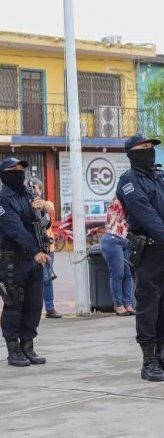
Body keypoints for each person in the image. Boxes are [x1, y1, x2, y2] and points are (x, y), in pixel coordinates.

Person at [116, 134, 164, 381]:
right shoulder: (129, 181)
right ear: (132, 152)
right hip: (149, 250)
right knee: (149, 304)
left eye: (151, 147)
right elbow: (146, 214)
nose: (150, 150)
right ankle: (148, 360)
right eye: (144, 147)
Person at [0, 157, 52, 367]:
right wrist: (34, 252)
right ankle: (13, 349)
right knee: (14, 305)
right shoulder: (3, 199)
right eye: (13, 169)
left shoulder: (29, 194)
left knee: (34, 305)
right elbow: (14, 229)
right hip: (11, 260)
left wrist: (43, 209)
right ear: (4, 174)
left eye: (21, 168)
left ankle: (27, 346)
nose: (19, 172)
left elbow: (41, 225)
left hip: (34, 261)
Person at [30, 180, 61, 319]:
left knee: (47, 278)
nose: (34, 193)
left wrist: (42, 203)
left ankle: (50, 308)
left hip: (47, 247)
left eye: (36, 190)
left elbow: (51, 209)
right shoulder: (25, 204)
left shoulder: (46, 203)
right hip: (31, 248)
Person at [102, 197, 135, 316]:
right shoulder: (119, 200)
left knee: (127, 274)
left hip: (125, 240)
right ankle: (118, 305)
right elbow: (130, 213)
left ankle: (128, 304)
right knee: (118, 273)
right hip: (113, 239)